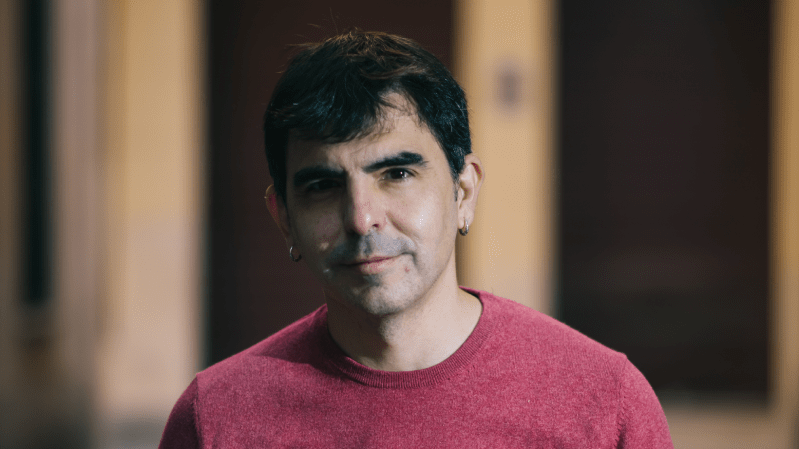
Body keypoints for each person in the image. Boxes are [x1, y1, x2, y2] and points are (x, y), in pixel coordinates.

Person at [159, 30, 673, 448]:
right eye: (323, 186)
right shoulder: (217, 418)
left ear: (463, 191)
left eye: (398, 174)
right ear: (285, 219)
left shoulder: (604, 404)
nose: (362, 219)